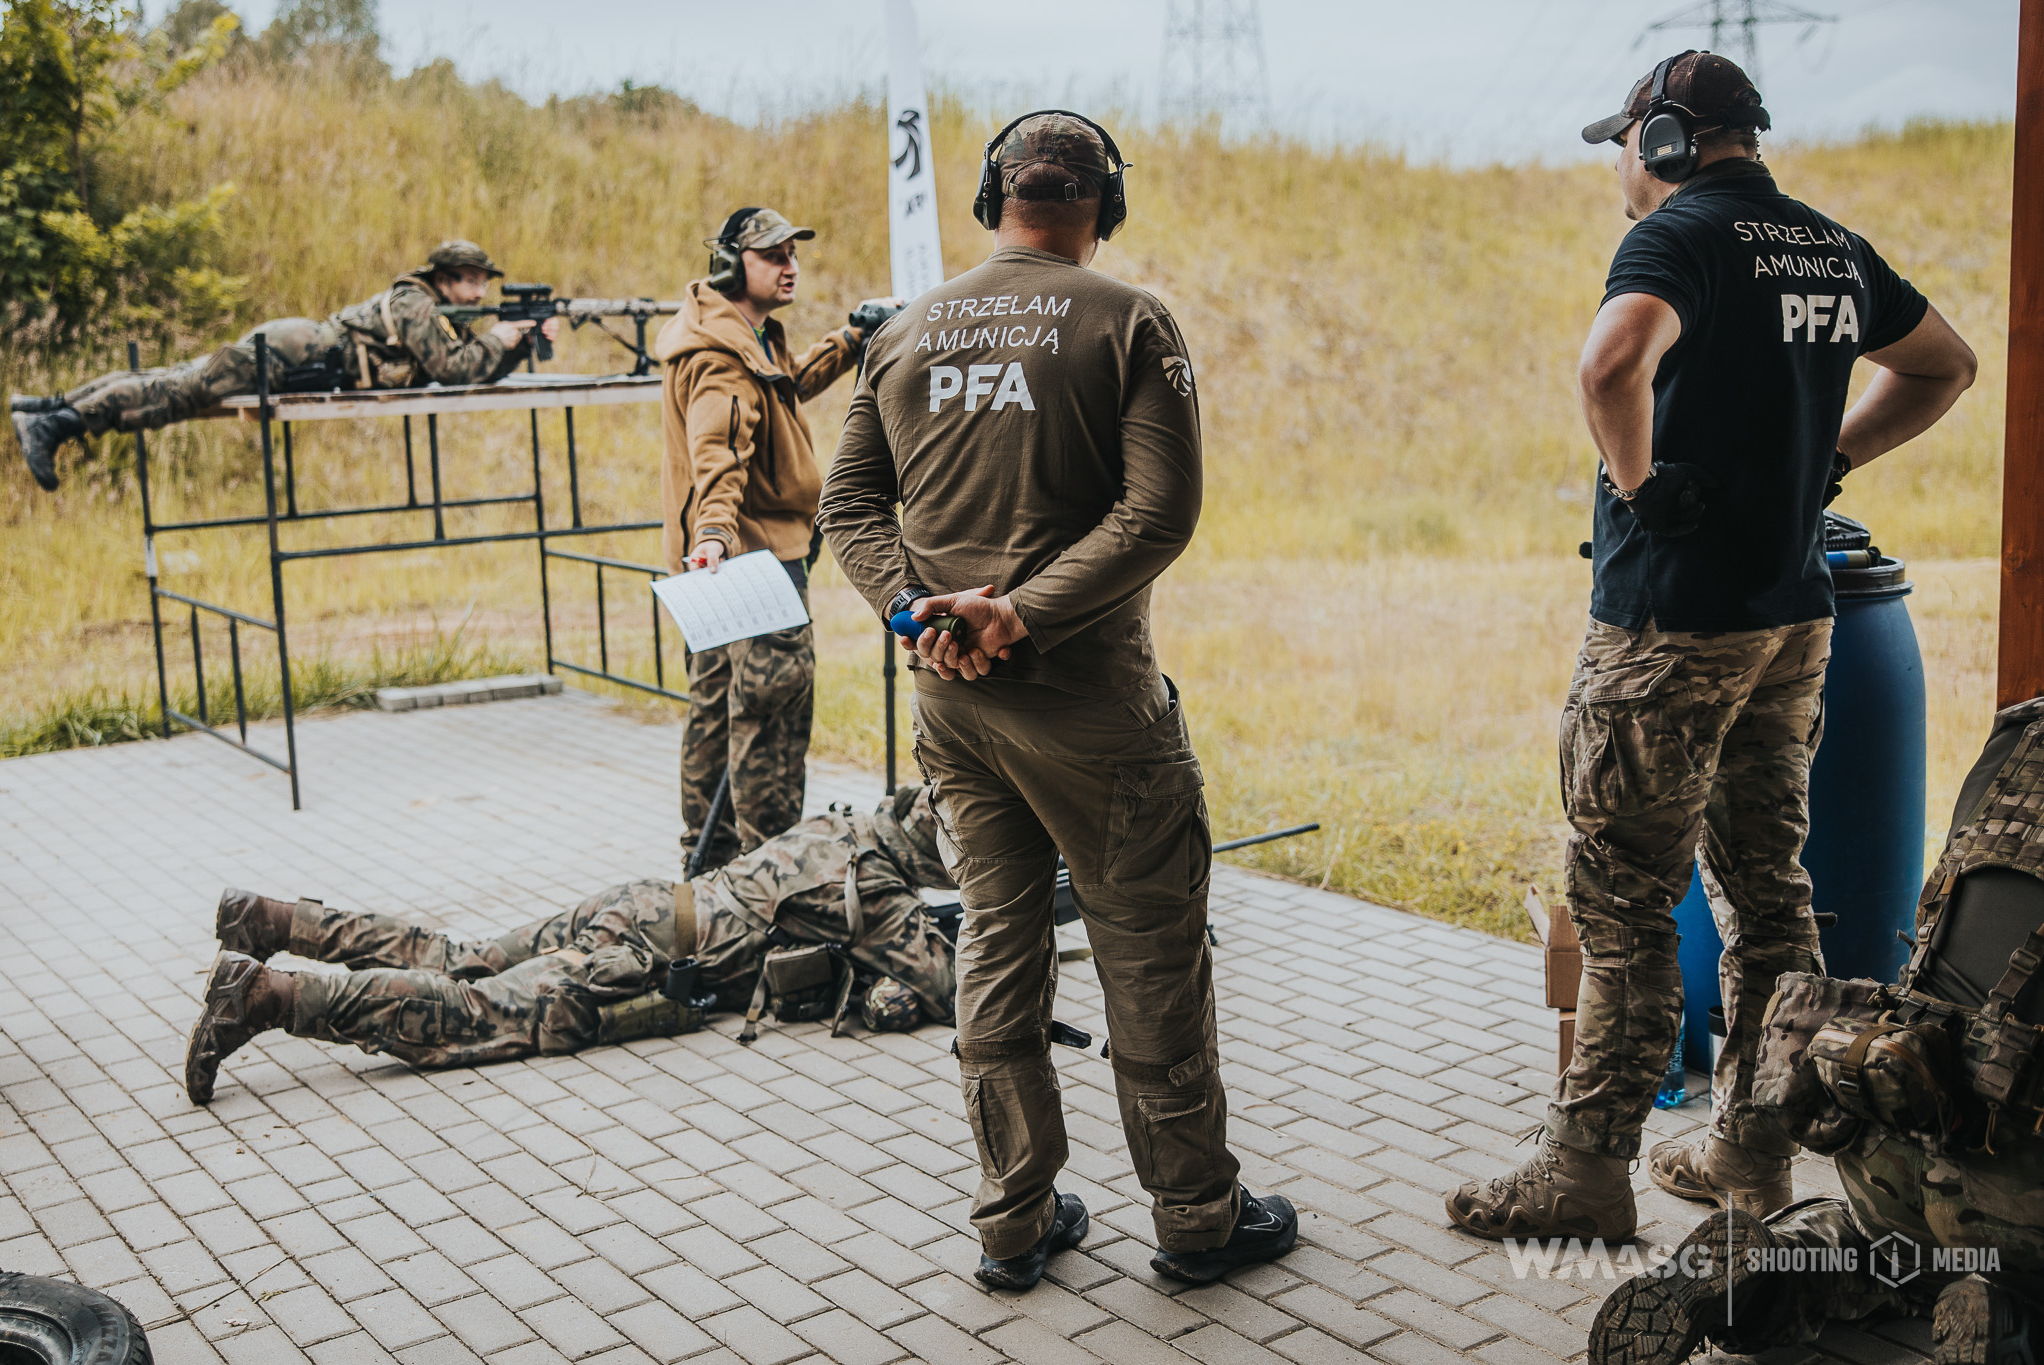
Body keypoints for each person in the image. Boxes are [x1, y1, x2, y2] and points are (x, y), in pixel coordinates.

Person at [1446, 52, 1977, 1242]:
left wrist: (1641, 486)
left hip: (1668, 629)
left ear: (1664, 142)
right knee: (1768, 892)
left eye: (1622, 147)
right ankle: (1748, 1150)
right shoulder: (1827, 247)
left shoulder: (1673, 238)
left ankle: (1585, 1174)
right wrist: (1832, 458)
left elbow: (1608, 366)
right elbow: (1945, 365)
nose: (1618, 171)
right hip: (1789, 622)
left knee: (1624, 902)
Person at [819, 111, 1297, 1292]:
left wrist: (916, 613)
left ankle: (1011, 1219)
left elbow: (849, 509)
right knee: (1149, 951)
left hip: (953, 708)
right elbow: (1156, 516)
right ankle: (1196, 1216)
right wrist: (1020, 615)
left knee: (995, 939)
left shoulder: (903, 330)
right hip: (1093, 713)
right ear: (1105, 206)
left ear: (992, 199)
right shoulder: (1129, 320)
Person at [1588, 696, 2044, 1363]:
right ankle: (2009, 1325)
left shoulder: (2018, 732)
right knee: (1996, 1253)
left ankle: (1775, 1267)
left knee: (1888, 1250)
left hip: (1895, 1128)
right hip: (2021, 1181)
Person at [185, 787, 956, 1105]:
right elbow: (954, 985)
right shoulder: (876, 888)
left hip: (645, 902)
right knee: (476, 1010)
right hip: (645, 957)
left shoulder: (846, 822)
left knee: (465, 955)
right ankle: (265, 997)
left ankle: (274, 919)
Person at [654, 207, 898, 871]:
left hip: (717, 570)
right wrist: (714, 533)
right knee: (772, 722)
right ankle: (770, 881)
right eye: (773, 255)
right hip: (752, 567)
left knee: (712, 715)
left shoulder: (735, 335)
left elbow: (785, 383)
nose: (791, 266)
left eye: (793, 253)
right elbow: (720, 455)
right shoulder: (724, 361)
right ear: (731, 265)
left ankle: (708, 877)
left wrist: (852, 337)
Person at [9, 240, 559, 491]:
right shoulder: (417, 304)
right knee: (176, 392)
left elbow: (464, 365)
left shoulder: (435, 312)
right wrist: (502, 337)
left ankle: (45, 410)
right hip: (290, 354)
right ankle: (55, 425)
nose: (479, 292)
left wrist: (513, 345)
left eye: (482, 282)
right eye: (471, 281)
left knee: (170, 378)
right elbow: (453, 371)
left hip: (295, 353)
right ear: (443, 278)